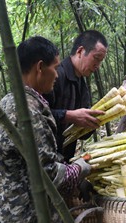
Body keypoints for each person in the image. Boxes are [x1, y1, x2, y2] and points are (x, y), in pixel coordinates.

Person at [0, 36, 92, 223]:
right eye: (54, 67)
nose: (58, 74)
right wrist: (82, 166)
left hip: (1, 221)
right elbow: (50, 175)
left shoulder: (10, 101)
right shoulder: (27, 112)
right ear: (40, 67)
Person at [44, 30, 108, 162]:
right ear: (80, 51)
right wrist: (69, 116)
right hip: (46, 160)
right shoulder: (56, 76)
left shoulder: (82, 83)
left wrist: (94, 122)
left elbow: (82, 135)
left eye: (100, 61)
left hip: (65, 160)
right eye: (96, 58)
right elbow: (37, 116)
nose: (97, 66)